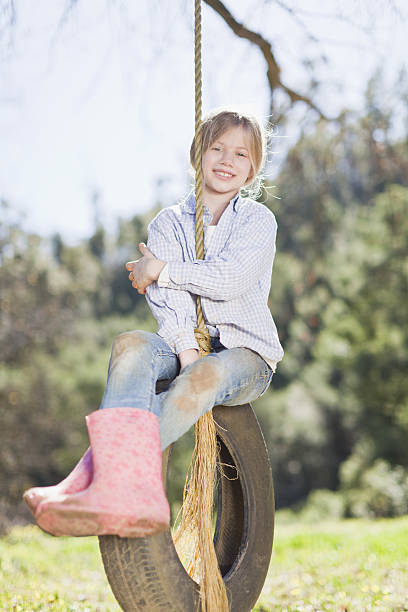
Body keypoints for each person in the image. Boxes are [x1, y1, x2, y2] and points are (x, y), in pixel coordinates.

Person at [23, 108, 284, 538]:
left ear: (253, 167)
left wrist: (162, 268)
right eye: (216, 148)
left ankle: (92, 481)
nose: (226, 160)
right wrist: (185, 349)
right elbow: (169, 302)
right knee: (131, 345)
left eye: (240, 154)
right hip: (186, 345)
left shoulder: (258, 221)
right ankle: (124, 491)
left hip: (246, 354)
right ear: (197, 153)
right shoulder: (168, 223)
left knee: (206, 374)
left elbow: (231, 278)